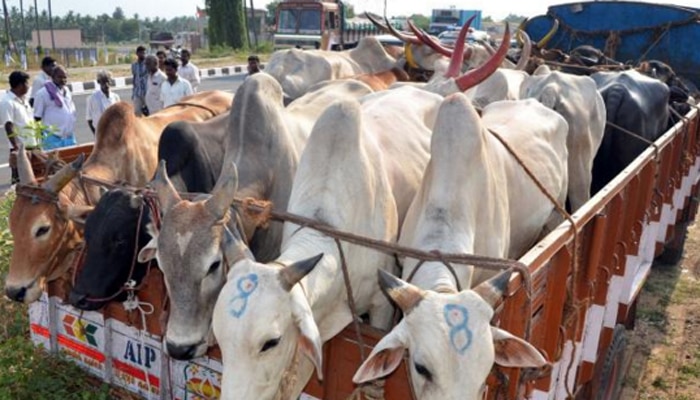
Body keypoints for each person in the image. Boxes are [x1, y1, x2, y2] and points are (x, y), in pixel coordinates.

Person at [0, 71, 37, 183]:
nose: (28, 86)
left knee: (33, 179)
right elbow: (8, 126)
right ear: (20, 85)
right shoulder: (7, 102)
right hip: (20, 148)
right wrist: (17, 148)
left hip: (32, 145)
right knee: (20, 182)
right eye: (27, 83)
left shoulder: (24, 99)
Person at [33, 65, 77, 150]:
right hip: (52, 139)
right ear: (52, 77)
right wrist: (38, 141)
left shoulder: (66, 90)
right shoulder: (42, 94)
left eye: (65, 77)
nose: (63, 80)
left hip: (69, 137)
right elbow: (37, 118)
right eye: (60, 77)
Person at [86, 70, 120, 135]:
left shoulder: (115, 97)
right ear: (99, 82)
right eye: (103, 82)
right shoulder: (92, 98)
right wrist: (96, 134)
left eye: (108, 81)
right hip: (100, 133)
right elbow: (89, 119)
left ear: (111, 81)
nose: (106, 85)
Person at [131, 45, 148, 116]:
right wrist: (133, 92)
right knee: (137, 113)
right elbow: (134, 77)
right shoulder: (134, 65)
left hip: (147, 92)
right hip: (137, 92)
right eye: (141, 53)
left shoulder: (148, 64)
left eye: (144, 53)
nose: (143, 54)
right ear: (137, 53)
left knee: (149, 112)